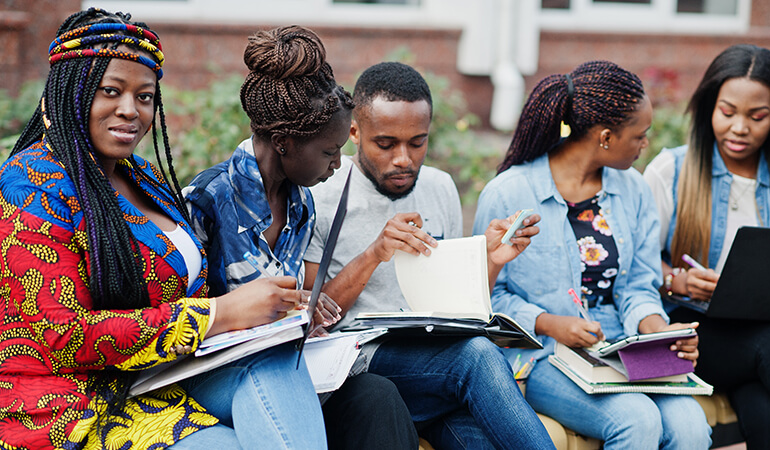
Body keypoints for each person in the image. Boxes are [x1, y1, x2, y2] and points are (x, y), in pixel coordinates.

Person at [0, 9, 339, 449]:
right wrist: (220, 314)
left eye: (144, 97)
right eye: (110, 91)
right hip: (71, 405)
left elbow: (182, 289)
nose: (130, 110)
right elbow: (62, 336)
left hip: (167, 373)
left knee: (278, 365)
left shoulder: (141, 175)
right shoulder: (28, 185)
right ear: (69, 93)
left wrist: (270, 316)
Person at [183, 26, 418, 449]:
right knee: (279, 379)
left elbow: (286, 301)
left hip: (288, 360)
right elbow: (179, 317)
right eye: (330, 153)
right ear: (283, 142)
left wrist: (307, 308)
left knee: (377, 396)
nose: (337, 165)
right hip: (219, 371)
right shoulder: (207, 200)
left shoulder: (301, 205)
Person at [303, 61, 554, 450]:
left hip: (435, 363)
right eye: (385, 144)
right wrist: (374, 253)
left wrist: (491, 260)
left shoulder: (439, 187)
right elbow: (314, 313)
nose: (403, 158)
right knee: (478, 358)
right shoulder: (322, 194)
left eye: (417, 142)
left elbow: (457, 306)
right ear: (354, 132)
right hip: (361, 362)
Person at [473, 60, 712, 449]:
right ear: (604, 137)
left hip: (623, 349)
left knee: (691, 427)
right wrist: (550, 323)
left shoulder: (633, 190)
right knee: (637, 422)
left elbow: (639, 284)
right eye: (639, 136)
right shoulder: (508, 194)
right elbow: (484, 299)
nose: (644, 144)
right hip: (543, 355)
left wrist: (657, 330)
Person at [643, 44, 770, 449]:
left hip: (762, 348)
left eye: (757, 116)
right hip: (693, 335)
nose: (739, 128)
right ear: (709, 106)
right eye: (727, 112)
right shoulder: (671, 170)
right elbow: (634, 264)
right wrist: (678, 281)